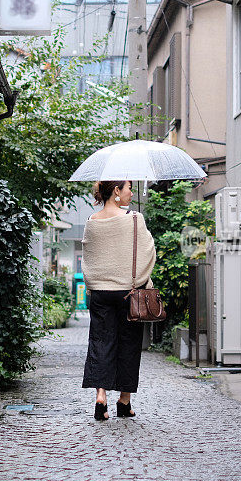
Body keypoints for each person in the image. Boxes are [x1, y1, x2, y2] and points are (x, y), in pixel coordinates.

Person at [81, 180, 156, 420]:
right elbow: (149, 251)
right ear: (116, 191)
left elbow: (88, 257)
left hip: (101, 292)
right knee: (128, 345)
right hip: (129, 292)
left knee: (100, 342)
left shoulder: (91, 221)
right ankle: (124, 402)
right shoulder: (134, 218)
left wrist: (95, 282)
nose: (131, 193)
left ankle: (100, 396)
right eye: (128, 188)